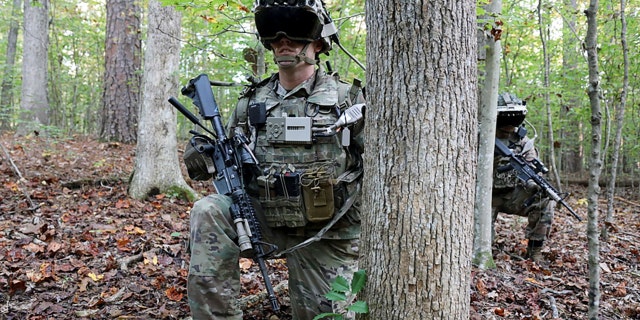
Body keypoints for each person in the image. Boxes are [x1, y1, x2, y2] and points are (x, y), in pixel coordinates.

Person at [183, 1, 366, 319]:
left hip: (326, 231)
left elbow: (378, 167)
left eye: (295, 35)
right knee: (208, 210)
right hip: (264, 220)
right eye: (274, 34)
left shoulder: (347, 100)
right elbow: (224, 159)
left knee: (324, 314)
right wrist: (203, 153)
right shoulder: (252, 102)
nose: (283, 42)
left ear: (318, 43)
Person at [491, 93, 556, 262]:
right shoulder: (482, 135)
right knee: (483, 241)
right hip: (484, 197)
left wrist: (534, 183)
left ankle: (535, 251)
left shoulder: (522, 141)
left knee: (544, 199)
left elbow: (532, 167)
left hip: (512, 194)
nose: (510, 125)